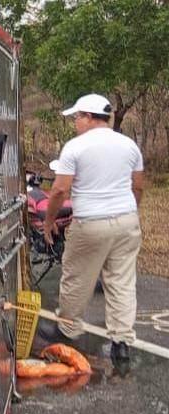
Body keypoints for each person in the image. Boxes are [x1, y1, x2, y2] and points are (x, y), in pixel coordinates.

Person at [42, 93, 145, 363]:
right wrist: (128, 210)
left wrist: (49, 221)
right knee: (121, 282)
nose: (75, 122)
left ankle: (67, 329)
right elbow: (138, 186)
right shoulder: (129, 145)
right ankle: (121, 342)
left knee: (77, 276)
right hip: (127, 221)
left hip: (91, 222)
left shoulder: (75, 147)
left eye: (77, 117)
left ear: (88, 117)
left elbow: (60, 190)